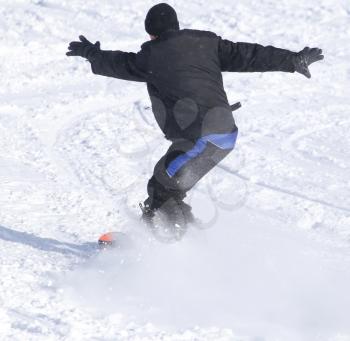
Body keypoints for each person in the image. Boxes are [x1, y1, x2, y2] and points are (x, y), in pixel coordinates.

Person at [66, 3, 324, 227]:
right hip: (224, 136)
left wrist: (92, 54)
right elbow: (250, 55)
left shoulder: (152, 56)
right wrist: (293, 60)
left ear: (151, 32)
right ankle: (188, 242)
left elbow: (121, 64)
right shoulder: (208, 44)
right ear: (176, 27)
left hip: (200, 138)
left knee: (161, 186)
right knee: (170, 189)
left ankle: (166, 247)